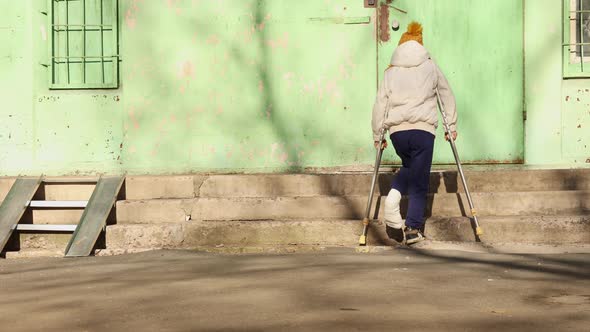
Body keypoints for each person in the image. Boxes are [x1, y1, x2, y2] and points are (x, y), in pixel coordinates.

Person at [371, 21, 457, 245]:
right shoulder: (430, 65)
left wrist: (377, 134)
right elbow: (445, 94)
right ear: (420, 44)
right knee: (420, 180)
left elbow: (380, 104)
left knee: (410, 168)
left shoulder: (391, 71)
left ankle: (392, 201)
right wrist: (451, 126)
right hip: (422, 131)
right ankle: (413, 228)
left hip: (398, 133)